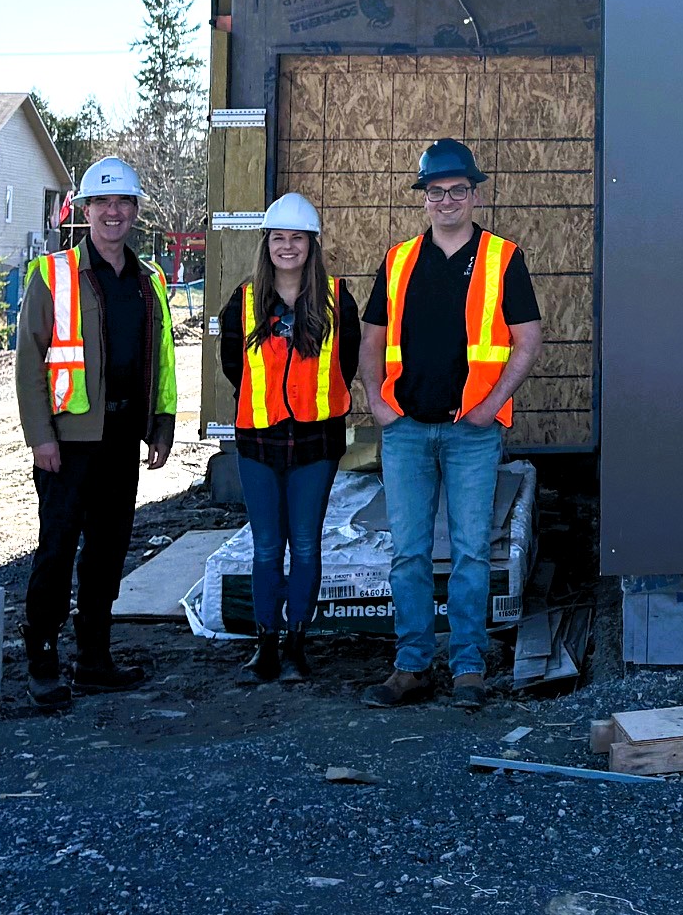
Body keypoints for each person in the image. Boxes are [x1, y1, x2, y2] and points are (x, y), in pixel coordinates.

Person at [356, 138, 543, 710]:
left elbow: (529, 339)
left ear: (474, 194)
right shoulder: (398, 261)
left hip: (472, 432)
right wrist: (376, 402)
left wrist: (491, 405)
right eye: (435, 192)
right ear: (425, 199)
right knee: (408, 552)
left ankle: (468, 667)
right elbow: (370, 340)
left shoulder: (502, 258)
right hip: (407, 429)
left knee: (468, 551)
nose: (446, 201)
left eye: (456, 191)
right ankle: (411, 666)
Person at [14, 155, 176, 693]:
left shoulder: (148, 280)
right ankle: (42, 659)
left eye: (122, 202)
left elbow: (162, 359)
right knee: (57, 550)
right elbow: (29, 364)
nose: (113, 212)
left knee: (107, 552)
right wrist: (41, 436)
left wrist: (161, 423)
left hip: (122, 439)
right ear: (85, 211)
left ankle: (93, 660)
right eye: (102, 202)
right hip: (68, 443)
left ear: (134, 212)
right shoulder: (52, 275)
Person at [215, 193, 357, 683]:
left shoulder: (338, 300)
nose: (288, 247)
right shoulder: (244, 301)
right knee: (266, 548)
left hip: (316, 444)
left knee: (308, 545)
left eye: (298, 238)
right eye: (279, 238)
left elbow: (349, 362)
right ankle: (266, 646)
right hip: (259, 442)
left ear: (312, 245)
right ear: (267, 244)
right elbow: (234, 364)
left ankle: (298, 644)